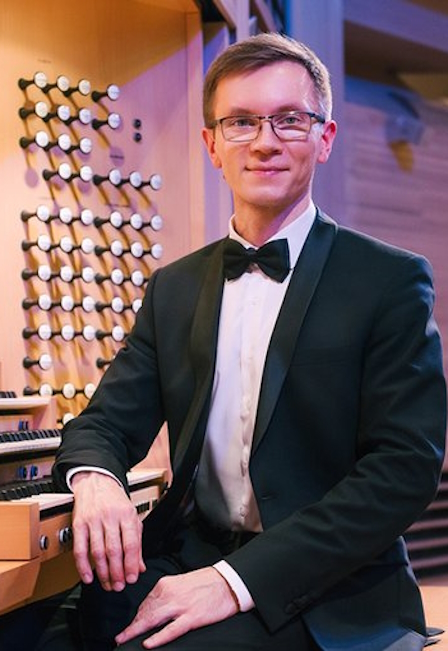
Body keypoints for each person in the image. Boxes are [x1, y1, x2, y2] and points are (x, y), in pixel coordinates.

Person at [52, 32, 447, 651]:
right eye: (240, 122)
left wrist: (234, 581)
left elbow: (404, 469)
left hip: (325, 584)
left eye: (289, 119)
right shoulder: (174, 288)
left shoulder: (388, 280)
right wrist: (96, 480)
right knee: (41, 631)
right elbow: (105, 422)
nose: (264, 141)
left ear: (325, 138)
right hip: (189, 553)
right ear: (212, 144)